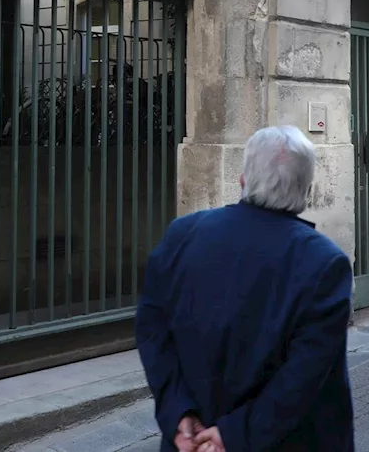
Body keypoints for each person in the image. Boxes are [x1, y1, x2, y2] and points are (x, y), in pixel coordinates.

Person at [135, 126, 355, 452]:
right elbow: (303, 377)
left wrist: (178, 413)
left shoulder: (182, 235)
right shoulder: (325, 264)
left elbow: (152, 331)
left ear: (243, 179)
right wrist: (233, 435)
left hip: (189, 441)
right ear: (306, 190)